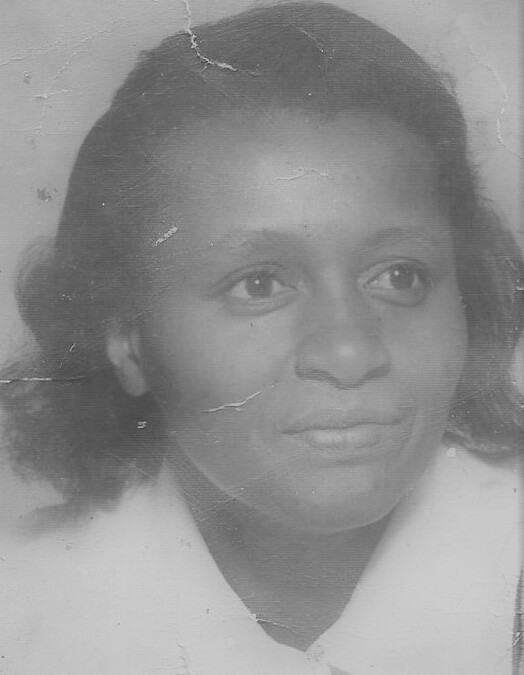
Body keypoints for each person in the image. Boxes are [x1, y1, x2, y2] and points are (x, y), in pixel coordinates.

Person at [0, 2, 522, 673]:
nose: (350, 353)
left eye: (401, 276)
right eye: (259, 284)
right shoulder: (24, 617)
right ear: (127, 338)